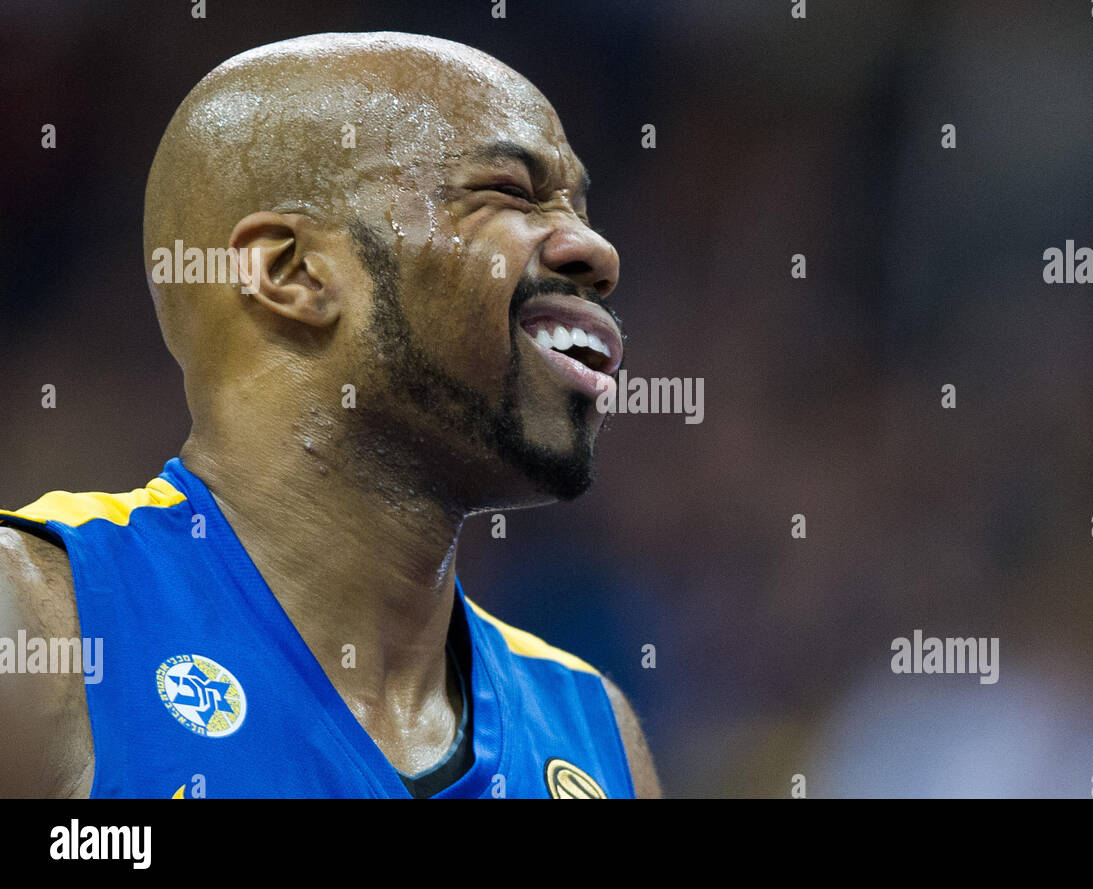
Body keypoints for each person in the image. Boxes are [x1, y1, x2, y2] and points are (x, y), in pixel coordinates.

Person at [0, 31, 659, 799]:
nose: (597, 251)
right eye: (511, 193)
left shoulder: (595, 733)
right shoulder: (45, 627)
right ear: (291, 272)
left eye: (579, 206)